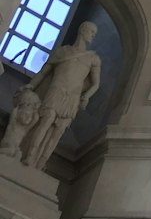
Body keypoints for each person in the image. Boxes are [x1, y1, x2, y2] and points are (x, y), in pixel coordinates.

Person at [21, 23, 101, 171]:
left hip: (72, 97)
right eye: (91, 31)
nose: (93, 35)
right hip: (56, 90)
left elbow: (96, 84)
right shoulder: (62, 52)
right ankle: (30, 156)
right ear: (82, 30)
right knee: (45, 121)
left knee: (58, 132)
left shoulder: (93, 59)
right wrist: (31, 86)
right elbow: (44, 72)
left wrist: (87, 96)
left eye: (94, 33)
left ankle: (41, 163)